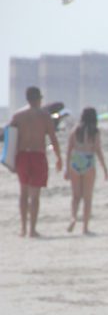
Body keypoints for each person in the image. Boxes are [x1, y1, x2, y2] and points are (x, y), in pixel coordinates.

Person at [9, 86, 62, 238]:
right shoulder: (45, 116)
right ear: (38, 98)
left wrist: (10, 159)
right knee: (35, 195)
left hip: (22, 156)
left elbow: (10, 138)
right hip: (38, 155)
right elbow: (53, 138)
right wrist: (59, 157)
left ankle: (23, 228)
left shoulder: (18, 116)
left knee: (23, 192)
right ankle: (32, 229)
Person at [64, 107, 108, 234]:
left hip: (76, 160)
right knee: (87, 198)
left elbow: (68, 150)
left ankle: (73, 218)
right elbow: (98, 150)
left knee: (76, 196)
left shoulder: (75, 130)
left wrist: (67, 169)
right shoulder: (94, 132)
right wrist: (105, 169)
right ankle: (85, 227)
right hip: (88, 161)